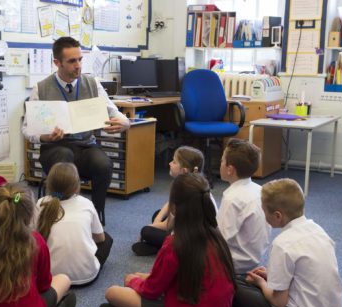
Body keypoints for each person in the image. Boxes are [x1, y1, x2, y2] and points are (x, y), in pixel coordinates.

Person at [99, 173, 235, 307]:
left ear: (175, 208)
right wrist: (144, 278)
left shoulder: (175, 243)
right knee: (141, 276)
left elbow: (151, 291)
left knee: (113, 292)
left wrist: (134, 282)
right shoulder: (215, 234)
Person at [22, 36, 130, 225]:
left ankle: (96, 214)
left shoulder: (92, 83)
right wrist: (45, 136)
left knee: (103, 164)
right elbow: (27, 130)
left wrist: (124, 122)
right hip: (55, 147)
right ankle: (58, 209)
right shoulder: (41, 88)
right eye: (72, 61)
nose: (78, 65)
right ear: (57, 62)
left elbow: (113, 110)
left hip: (85, 146)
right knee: (63, 157)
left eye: (80, 59)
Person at [234, 178, 342, 307]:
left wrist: (261, 283)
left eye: (264, 212)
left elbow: (278, 303)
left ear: (278, 216)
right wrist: (270, 276)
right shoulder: (317, 229)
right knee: (252, 278)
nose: (263, 216)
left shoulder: (282, 244)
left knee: (233, 284)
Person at [132, 145, 217, 256]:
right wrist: (157, 220)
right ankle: (158, 246)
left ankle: (162, 248)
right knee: (157, 214)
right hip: (194, 233)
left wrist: (150, 227)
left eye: (174, 162)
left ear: (184, 170)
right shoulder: (195, 182)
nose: (170, 163)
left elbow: (168, 225)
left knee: (146, 231)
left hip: (190, 243)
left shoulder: (186, 192)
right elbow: (170, 204)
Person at [36, 162, 112, 286]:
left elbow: (33, 235)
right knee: (107, 239)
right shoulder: (86, 203)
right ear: (77, 185)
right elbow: (100, 238)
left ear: (48, 183)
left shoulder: (41, 203)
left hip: (49, 275)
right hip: (86, 277)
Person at [217, 138, 271, 275]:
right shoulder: (260, 190)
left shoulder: (232, 198)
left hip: (232, 263)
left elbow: (219, 239)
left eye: (222, 160)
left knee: (178, 242)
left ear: (230, 170)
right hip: (253, 259)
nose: (220, 163)